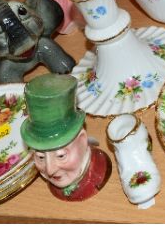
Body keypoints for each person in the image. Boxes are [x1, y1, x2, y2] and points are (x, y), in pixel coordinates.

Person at [20, 73, 111, 201]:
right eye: (40, 157)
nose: (50, 170)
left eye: (61, 156)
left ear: (82, 141)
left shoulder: (97, 169)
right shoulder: (55, 175)